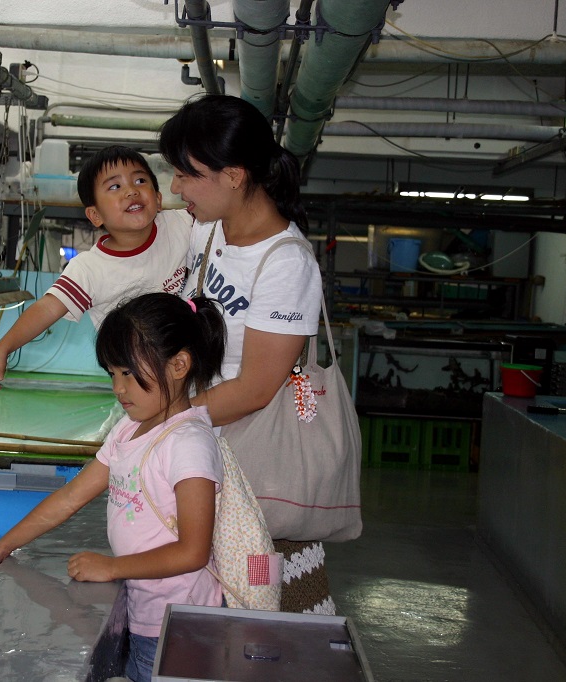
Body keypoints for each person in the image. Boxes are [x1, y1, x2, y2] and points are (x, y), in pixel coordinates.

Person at [0, 293, 227, 682]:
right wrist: (0, 548)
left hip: (180, 630)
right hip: (148, 616)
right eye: (112, 373)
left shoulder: (188, 443)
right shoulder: (130, 428)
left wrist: (112, 567)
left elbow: (193, 551)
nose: (118, 388)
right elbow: (69, 497)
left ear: (180, 364)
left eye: (129, 374)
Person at [159, 94, 331, 614]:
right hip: (200, 445)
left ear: (233, 176)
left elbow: (257, 388)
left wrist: (167, 419)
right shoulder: (208, 232)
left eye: (186, 175)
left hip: (251, 462)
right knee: (199, 608)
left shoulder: (286, 263)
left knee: (259, 613)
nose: (174, 187)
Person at [0, 145, 193, 390]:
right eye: (115, 186)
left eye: (140, 180)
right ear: (95, 215)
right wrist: (2, 348)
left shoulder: (182, 224)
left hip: (192, 364)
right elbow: (46, 309)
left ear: (158, 199)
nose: (131, 191)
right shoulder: (89, 269)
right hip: (140, 383)